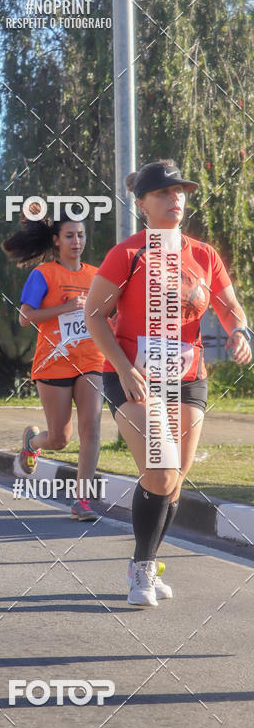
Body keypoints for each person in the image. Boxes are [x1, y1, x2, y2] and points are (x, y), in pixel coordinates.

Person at [85, 160, 252, 607]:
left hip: (187, 378)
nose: (175, 198)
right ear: (141, 204)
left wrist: (240, 330)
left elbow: (231, 308)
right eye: (162, 193)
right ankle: (140, 570)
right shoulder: (128, 253)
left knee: (175, 479)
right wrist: (122, 368)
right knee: (160, 473)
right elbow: (95, 315)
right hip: (133, 375)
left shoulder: (203, 255)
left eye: (180, 191)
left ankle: (149, 559)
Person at [2, 214, 105, 520]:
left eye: (81, 236)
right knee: (60, 440)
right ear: (57, 241)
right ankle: (33, 442)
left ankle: (82, 501)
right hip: (54, 363)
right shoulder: (44, 274)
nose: (77, 242)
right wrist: (65, 308)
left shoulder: (97, 276)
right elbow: (25, 317)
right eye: (70, 236)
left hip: (91, 360)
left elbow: (107, 316)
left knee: (92, 429)